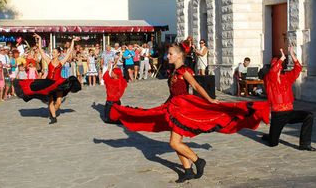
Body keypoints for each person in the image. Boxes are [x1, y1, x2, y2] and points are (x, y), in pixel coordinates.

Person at [107, 42, 270, 183]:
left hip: (183, 109)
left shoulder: (184, 70)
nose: (167, 56)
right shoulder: (173, 72)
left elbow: (197, 86)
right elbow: (173, 93)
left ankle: (198, 161)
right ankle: (188, 171)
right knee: (173, 139)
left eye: (170, 54)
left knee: (174, 142)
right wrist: (164, 107)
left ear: (179, 55)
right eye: (168, 54)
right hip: (173, 107)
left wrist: (209, 100)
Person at [13, 34, 81, 124]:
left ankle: (52, 111)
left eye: (54, 52)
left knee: (59, 102)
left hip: (58, 83)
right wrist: (40, 39)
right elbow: (41, 51)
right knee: (50, 100)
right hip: (48, 83)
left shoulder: (61, 62)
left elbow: (69, 52)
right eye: (52, 52)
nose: (52, 54)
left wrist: (72, 41)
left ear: (58, 54)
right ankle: (53, 117)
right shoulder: (49, 60)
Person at [262, 47, 316, 151]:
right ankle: (270, 136)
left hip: (289, 112)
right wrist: (282, 58)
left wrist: (292, 55)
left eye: (278, 65)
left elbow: (298, 69)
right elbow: (273, 71)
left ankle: (304, 144)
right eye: (275, 65)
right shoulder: (269, 79)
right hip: (277, 115)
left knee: (309, 116)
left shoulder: (286, 78)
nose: (277, 67)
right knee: (273, 144)